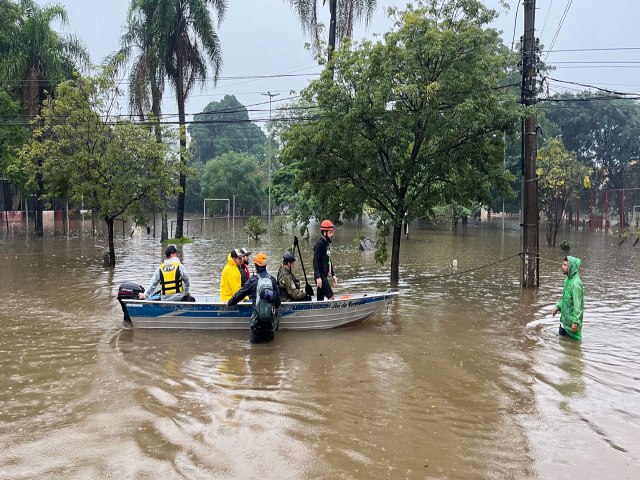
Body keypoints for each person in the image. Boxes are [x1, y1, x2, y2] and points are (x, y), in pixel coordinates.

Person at [228, 252, 281, 343]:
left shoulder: (253, 280)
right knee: (270, 350)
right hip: (269, 324)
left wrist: (229, 302)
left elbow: (240, 294)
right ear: (265, 265)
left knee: (255, 352)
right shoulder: (272, 280)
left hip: (257, 324)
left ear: (256, 266)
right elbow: (278, 300)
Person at [552, 256, 584, 340]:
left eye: (565, 265)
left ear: (571, 267)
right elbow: (565, 298)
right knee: (562, 349)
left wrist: (575, 322)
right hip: (564, 322)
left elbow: (578, 305)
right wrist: (558, 307)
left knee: (574, 349)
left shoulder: (576, 283)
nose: (562, 267)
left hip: (572, 325)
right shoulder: (568, 280)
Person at [313, 219, 338, 301]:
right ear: (324, 233)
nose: (332, 235)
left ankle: (317, 313)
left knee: (320, 300)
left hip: (324, 276)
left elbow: (329, 260)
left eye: (332, 232)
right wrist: (318, 277)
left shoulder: (326, 244)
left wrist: (333, 274)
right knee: (331, 297)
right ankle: (333, 313)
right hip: (320, 276)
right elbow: (315, 260)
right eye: (330, 232)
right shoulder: (320, 244)